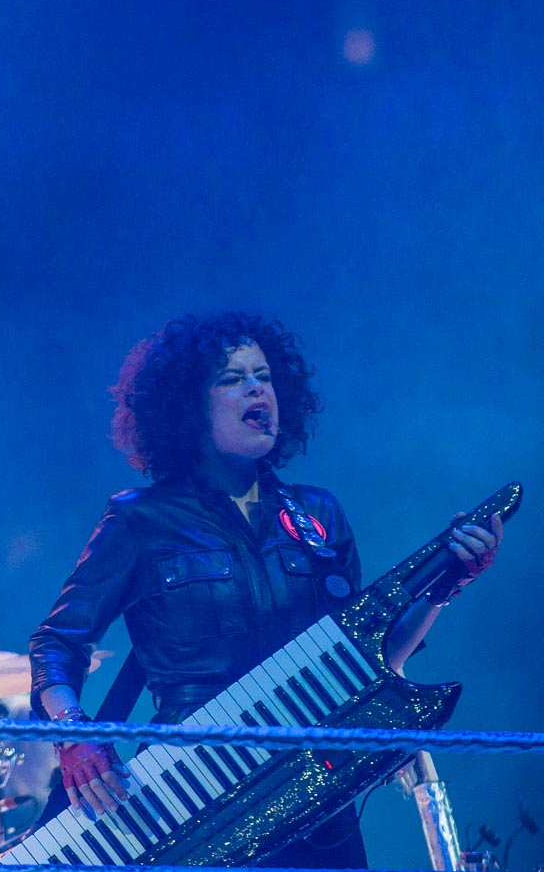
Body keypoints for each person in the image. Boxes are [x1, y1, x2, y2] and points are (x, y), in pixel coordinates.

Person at [28, 311, 502, 868]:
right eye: (233, 379)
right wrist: (74, 733)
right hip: (195, 793)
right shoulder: (141, 520)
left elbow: (370, 661)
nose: (258, 388)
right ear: (188, 408)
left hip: (318, 793)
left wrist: (446, 584)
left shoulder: (318, 513)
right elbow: (56, 642)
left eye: (265, 376)